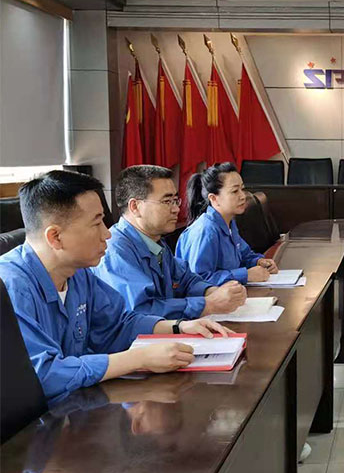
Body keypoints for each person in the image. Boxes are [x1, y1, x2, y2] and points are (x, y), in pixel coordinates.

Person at [0, 170, 232, 401]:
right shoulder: (10, 286)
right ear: (55, 237)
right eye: (96, 223)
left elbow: (117, 324)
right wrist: (138, 359)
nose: (107, 234)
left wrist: (178, 327)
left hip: (74, 406)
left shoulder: (78, 274)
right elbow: (42, 375)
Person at [92, 165, 246, 320]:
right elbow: (141, 311)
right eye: (167, 201)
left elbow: (185, 279)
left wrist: (211, 291)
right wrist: (207, 304)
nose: (176, 209)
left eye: (175, 200)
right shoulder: (115, 250)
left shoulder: (155, 242)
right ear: (135, 206)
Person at [176, 162, 278, 284]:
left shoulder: (229, 222)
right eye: (235, 191)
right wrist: (246, 275)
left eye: (242, 189)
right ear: (214, 198)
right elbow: (199, 280)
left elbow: (244, 255)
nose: (243, 196)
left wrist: (259, 262)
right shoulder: (205, 231)